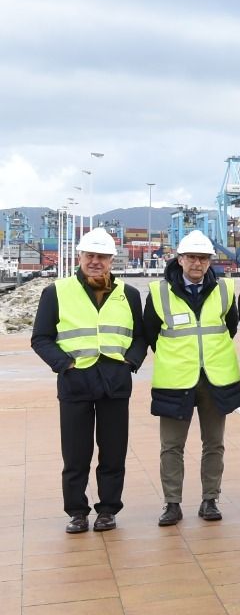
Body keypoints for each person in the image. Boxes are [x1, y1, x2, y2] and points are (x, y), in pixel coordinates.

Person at [32, 227, 147, 533]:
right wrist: (64, 364)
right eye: (91, 255)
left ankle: (108, 510)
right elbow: (41, 338)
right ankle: (77, 512)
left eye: (103, 257)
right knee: (75, 453)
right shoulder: (56, 292)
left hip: (115, 382)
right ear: (80, 257)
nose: (96, 261)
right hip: (75, 382)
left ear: (112, 260)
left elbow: (140, 337)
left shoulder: (129, 295)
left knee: (113, 451)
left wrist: (130, 362)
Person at [143, 231, 240, 526]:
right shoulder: (159, 292)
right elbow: (151, 334)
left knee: (214, 443)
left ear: (210, 261)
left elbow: (231, 327)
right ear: (180, 258)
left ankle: (210, 500)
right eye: (192, 257)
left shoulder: (224, 290)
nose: (197, 263)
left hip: (215, 380)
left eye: (203, 258)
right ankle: (172, 504)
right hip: (175, 381)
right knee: (171, 445)